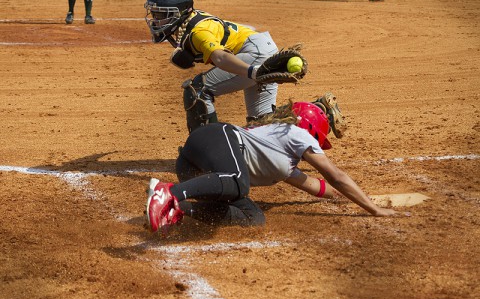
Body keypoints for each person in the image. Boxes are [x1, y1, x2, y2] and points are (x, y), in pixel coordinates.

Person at [145, 100, 401, 235]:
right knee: (238, 182)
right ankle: (171, 192)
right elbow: (335, 176)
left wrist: (358, 199)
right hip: (215, 137)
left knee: (252, 218)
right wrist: (374, 209)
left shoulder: (281, 159)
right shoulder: (297, 135)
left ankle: (177, 206)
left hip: (200, 168)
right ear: (313, 130)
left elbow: (318, 186)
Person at [144, 0, 289, 134]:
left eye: (160, 15)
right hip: (261, 49)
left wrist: (253, 71)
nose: (155, 21)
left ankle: (207, 145)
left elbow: (220, 58)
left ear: (179, 12)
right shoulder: (190, 19)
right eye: (154, 14)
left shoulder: (199, 33)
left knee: (197, 90)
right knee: (261, 125)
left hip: (254, 55)